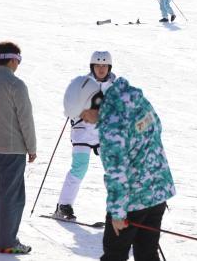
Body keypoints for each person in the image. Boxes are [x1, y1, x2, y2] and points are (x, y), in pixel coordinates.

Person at [63, 74, 176, 261]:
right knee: (147, 253)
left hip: (132, 201)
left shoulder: (110, 129)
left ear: (94, 102)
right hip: (158, 190)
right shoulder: (135, 100)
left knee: (114, 254)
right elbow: (157, 127)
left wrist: (117, 214)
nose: (85, 121)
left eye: (83, 115)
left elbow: (117, 175)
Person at [0, 41, 37, 254]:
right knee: (12, 196)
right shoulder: (16, 85)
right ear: (13, 60)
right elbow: (25, 120)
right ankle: (7, 241)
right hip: (13, 149)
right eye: (18, 60)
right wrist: (31, 147)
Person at [54, 51, 116, 221]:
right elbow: (70, 101)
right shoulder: (83, 83)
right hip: (83, 130)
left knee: (113, 169)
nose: (101, 69)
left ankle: (118, 210)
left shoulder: (115, 86)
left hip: (104, 133)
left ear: (109, 67)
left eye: (104, 66)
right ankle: (64, 205)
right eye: (98, 65)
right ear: (92, 67)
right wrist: (73, 114)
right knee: (79, 167)